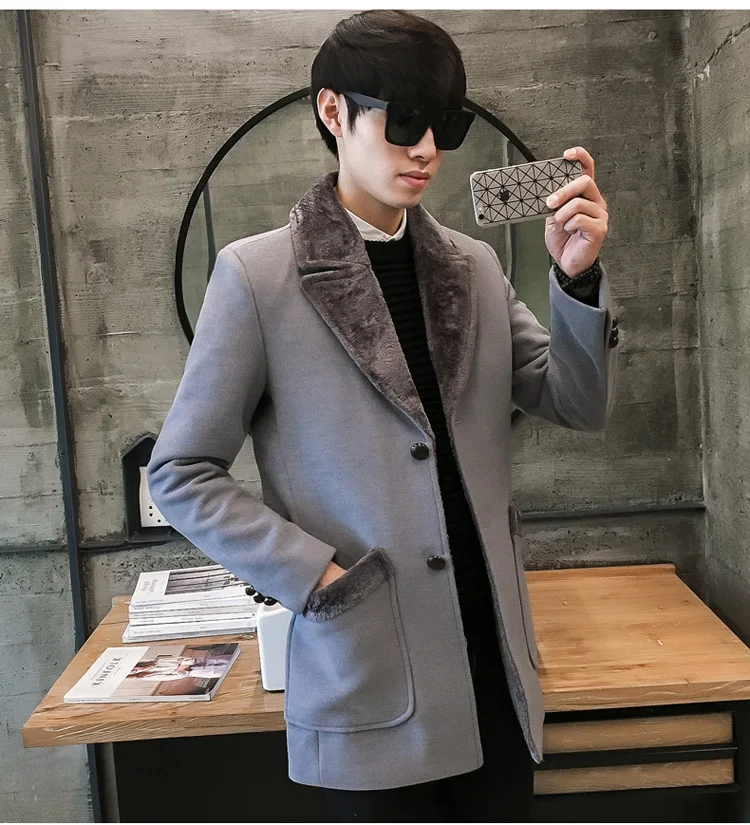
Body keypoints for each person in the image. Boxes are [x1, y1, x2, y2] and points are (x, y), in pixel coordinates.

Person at [147, 9, 618, 822]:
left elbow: (576, 401)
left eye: (445, 125)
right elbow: (181, 472)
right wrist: (315, 577)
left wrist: (577, 281)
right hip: (372, 670)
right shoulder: (257, 277)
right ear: (333, 111)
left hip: (495, 672)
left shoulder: (473, 267)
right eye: (403, 121)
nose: (426, 148)